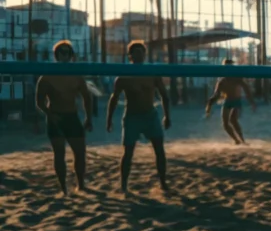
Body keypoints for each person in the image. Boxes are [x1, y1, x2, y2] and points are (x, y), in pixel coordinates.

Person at [105, 41, 172, 194]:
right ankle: (123, 185)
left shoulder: (152, 72)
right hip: (132, 116)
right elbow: (114, 99)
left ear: (144, 54)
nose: (139, 55)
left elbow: (164, 95)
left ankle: (163, 183)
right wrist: (109, 119)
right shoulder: (123, 76)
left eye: (141, 52)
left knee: (159, 150)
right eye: (135, 53)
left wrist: (167, 116)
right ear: (130, 56)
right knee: (128, 153)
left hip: (150, 114)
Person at [35, 41, 93, 195]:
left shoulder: (76, 75)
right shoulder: (47, 76)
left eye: (67, 52)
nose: (64, 55)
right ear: (56, 55)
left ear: (71, 55)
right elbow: (39, 101)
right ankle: (63, 188)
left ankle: (80, 184)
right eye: (61, 52)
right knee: (59, 154)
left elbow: (87, 97)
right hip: (56, 117)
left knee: (80, 152)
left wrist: (88, 118)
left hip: (72, 117)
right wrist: (49, 114)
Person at [205, 59, 257, 144]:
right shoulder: (222, 81)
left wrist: (252, 102)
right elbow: (216, 95)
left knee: (233, 120)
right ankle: (236, 140)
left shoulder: (237, 79)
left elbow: (247, 89)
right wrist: (209, 104)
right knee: (225, 124)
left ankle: (242, 140)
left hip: (236, 101)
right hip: (228, 100)